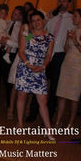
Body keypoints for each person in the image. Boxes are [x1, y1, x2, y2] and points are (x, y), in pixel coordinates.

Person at [16, 11, 55, 140]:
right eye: (33, 21)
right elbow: (21, 51)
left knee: (42, 100)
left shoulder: (49, 37)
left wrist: (43, 66)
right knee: (22, 96)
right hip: (26, 67)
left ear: (43, 21)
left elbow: (49, 55)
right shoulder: (28, 35)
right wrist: (28, 64)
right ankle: (20, 125)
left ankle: (49, 130)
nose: (36, 23)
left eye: (38, 20)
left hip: (40, 69)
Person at [45, 0, 75, 119]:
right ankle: (35, 112)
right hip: (47, 54)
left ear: (68, 4)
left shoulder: (73, 19)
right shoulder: (52, 16)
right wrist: (47, 18)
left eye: (64, 1)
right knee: (42, 83)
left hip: (60, 55)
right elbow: (42, 31)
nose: (61, 3)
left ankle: (50, 114)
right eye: (59, 1)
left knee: (55, 86)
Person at [7, 7, 35, 120]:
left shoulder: (39, 28)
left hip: (33, 57)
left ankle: (27, 107)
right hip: (21, 55)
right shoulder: (24, 26)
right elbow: (21, 41)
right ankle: (11, 108)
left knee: (29, 85)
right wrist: (31, 35)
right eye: (29, 16)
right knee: (16, 84)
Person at [55, 9, 81, 128]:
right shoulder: (73, 30)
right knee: (62, 93)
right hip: (67, 63)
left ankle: (70, 122)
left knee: (73, 96)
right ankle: (58, 120)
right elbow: (66, 49)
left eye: (75, 16)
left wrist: (75, 40)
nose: (73, 18)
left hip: (78, 65)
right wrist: (67, 39)